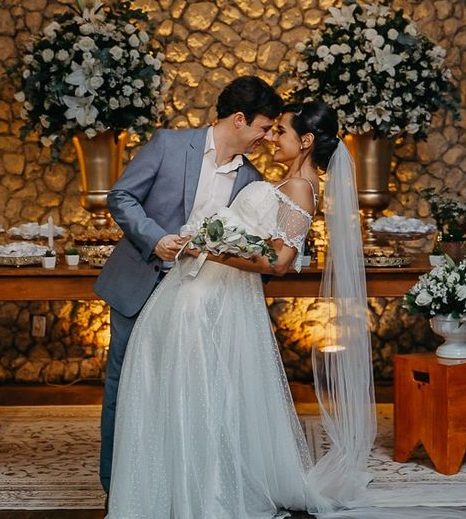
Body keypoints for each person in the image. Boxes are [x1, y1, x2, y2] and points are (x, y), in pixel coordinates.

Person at [107, 101, 375, 518]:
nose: (272, 138)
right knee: (183, 392)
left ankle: (197, 494)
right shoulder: (285, 182)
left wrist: (208, 250)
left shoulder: (301, 187)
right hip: (197, 292)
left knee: (196, 395)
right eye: (270, 129)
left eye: (281, 132)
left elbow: (280, 262)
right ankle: (173, 488)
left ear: (305, 141)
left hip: (209, 297)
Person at [93, 76, 283, 496]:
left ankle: (170, 483)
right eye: (264, 128)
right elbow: (121, 196)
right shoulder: (169, 144)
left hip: (196, 301)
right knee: (124, 385)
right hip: (142, 282)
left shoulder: (251, 180)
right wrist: (155, 238)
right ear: (239, 119)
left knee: (180, 391)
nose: (266, 139)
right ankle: (115, 487)